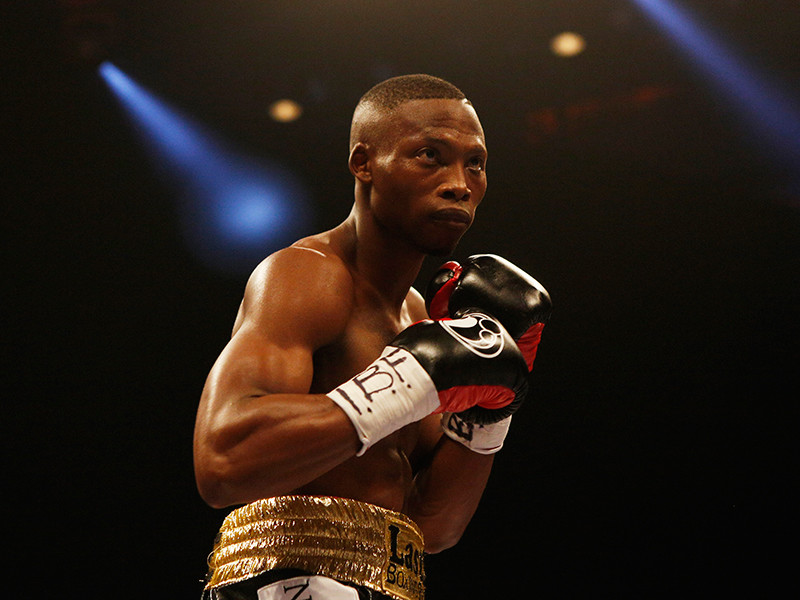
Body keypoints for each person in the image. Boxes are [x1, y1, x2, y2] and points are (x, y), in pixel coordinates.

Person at [193, 74, 551, 600]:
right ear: (364, 163)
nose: (459, 184)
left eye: (475, 163)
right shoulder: (307, 275)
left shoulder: (420, 318)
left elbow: (433, 527)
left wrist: (489, 413)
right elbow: (224, 461)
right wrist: (409, 378)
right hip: (287, 584)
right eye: (430, 156)